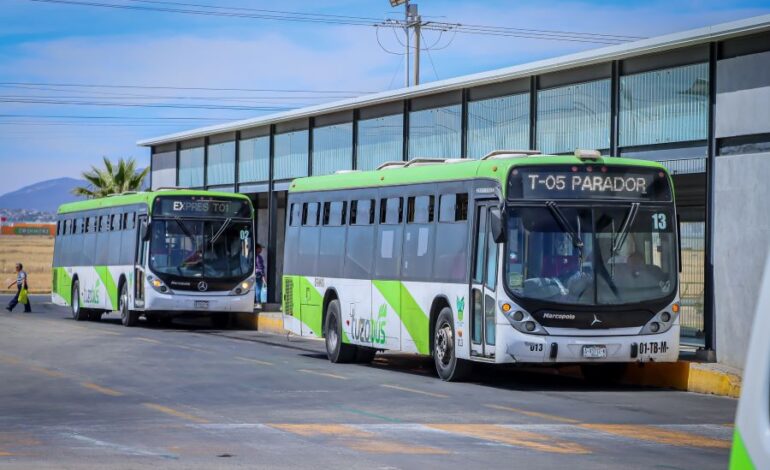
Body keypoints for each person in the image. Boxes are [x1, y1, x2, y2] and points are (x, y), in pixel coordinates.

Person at [254, 243, 266, 309]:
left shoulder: (252, 256)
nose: (261, 249)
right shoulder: (258, 257)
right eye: (260, 248)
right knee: (258, 289)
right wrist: (263, 276)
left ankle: (256, 302)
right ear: (257, 248)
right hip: (258, 274)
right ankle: (258, 303)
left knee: (256, 289)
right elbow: (261, 267)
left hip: (254, 274)